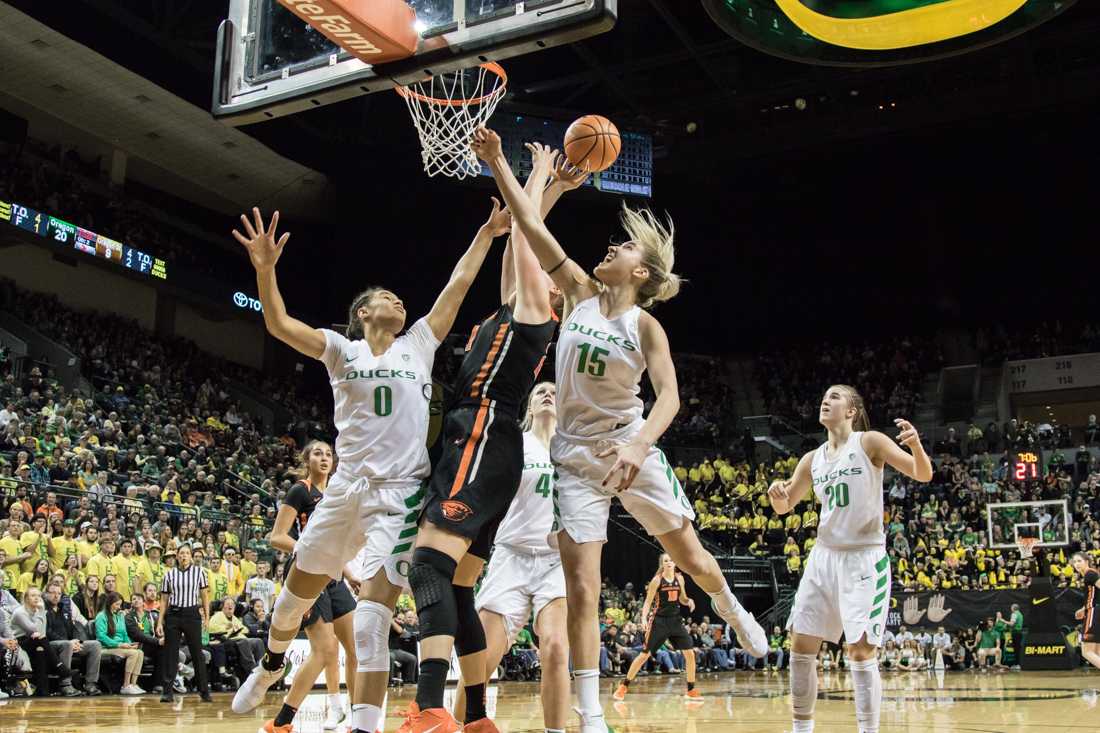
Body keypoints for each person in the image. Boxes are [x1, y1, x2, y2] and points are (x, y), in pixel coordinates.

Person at [472, 126, 767, 733]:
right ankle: (590, 711)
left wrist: (638, 445)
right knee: (583, 586)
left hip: (628, 442)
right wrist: (503, 164)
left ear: (642, 272)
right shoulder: (578, 291)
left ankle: (730, 607)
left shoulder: (645, 327)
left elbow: (671, 398)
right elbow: (530, 230)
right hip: (574, 457)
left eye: (625, 247)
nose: (612, 247)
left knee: (688, 554)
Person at [231, 203, 501, 733]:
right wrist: (265, 270)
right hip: (345, 491)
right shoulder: (341, 350)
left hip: (399, 497)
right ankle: (270, 664)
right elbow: (279, 324)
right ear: (362, 314)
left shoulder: (419, 344)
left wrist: (487, 234)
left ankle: (364, 726)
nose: (399, 301)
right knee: (290, 604)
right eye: (386, 298)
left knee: (374, 616)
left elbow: (459, 282)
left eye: (400, 299)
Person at [398, 143, 578, 733]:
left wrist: (533, 172)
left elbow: (528, 239)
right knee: (460, 586)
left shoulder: (536, 314)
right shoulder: (515, 309)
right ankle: (476, 717)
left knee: (426, 567)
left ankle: (429, 710)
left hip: (481, 432)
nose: (542, 276)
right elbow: (522, 239)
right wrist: (551, 194)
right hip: (489, 443)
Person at [768, 385, 932, 733]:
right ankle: (801, 729)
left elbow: (923, 474)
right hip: (823, 557)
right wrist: (776, 495)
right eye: (824, 396)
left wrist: (915, 445)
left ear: (852, 411)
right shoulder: (812, 459)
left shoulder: (869, 442)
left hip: (863, 559)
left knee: (859, 651)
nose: (825, 400)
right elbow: (785, 506)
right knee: (801, 645)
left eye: (834, 397)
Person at [452, 382, 569, 731]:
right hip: (511, 555)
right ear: (529, 406)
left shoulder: (572, 451)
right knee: (483, 660)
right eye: (539, 392)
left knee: (556, 648)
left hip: (556, 561)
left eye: (553, 392)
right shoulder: (515, 443)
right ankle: (460, 726)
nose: (547, 394)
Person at [261, 441, 359, 733]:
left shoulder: (337, 495)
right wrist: (304, 551)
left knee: (355, 649)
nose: (324, 458)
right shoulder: (300, 490)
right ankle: (283, 721)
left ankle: (358, 717)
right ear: (307, 459)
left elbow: (334, 546)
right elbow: (277, 537)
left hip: (335, 577)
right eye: (318, 453)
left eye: (328, 454)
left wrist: (350, 574)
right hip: (307, 576)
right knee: (324, 650)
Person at [615, 554, 700, 701]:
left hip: (675, 621)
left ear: (675, 563)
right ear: (662, 564)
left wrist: (689, 601)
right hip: (659, 621)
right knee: (644, 655)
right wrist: (643, 619)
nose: (669, 562)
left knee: (690, 654)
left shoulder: (680, 578)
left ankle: (691, 690)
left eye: (671, 560)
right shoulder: (657, 580)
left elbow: (682, 598)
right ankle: (623, 686)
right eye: (666, 561)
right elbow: (648, 603)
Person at [157, 544, 212, 702]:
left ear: (191, 556)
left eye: (187, 553)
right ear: (177, 556)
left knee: (197, 653)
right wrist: (160, 621)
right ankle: (167, 692)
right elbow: (164, 599)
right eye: (181, 553)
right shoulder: (169, 574)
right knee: (170, 653)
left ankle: (204, 691)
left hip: (192, 613)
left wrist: (207, 618)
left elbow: (204, 596)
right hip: (173, 614)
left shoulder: (199, 572)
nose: (184, 556)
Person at [11, 587, 81, 696]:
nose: (36, 598)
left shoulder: (38, 610)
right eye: (33, 595)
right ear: (25, 598)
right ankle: (60, 667)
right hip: (19, 642)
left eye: (38, 596)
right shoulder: (20, 612)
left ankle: (43, 690)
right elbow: (33, 630)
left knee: (40, 650)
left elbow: (41, 632)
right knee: (40, 641)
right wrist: (41, 613)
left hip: (36, 642)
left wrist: (41, 612)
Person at [44, 583, 103, 695]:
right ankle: (65, 684)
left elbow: (70, 629)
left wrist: (76, 641)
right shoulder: (43, 609)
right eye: (52, 593)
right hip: (51, 645)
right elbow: (47, 632)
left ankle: (90, 683)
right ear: (46, 594)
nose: (56, 596)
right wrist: (70, 643)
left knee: (95, 645)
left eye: (59, 593)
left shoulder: (63, 609)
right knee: (67, 644)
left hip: (68, 643)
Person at [95, 591, 147, 694]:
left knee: (139, 652)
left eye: (120, 604)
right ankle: (126, 685)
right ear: (110, 603)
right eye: (117, 604)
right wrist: (119, 644)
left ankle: (133, 684)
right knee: (133, 654)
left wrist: (130, 644)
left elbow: (124, 634)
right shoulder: (101, 616)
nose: (119, 607)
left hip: (120, 646)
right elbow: (101, 636)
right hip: (106, 647)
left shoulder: (119, 616)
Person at [126, 593, 164, 693]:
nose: (136, 601)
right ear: (131, 603)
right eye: (134, 599)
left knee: (165, 649)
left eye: (138, 599)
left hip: (152, 643)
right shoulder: (129, 617)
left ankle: (158, 684)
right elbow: (137, 635)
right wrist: (158, 641)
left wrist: (162, 637)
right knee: (161, 648)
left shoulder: (150, 615)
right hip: (139, 644)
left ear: (143, 602)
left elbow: (157, 631)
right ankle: (161, 682)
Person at [1072, 552, 1100, 670]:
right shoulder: (1090, 575)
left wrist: (1088, 608)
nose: (1076, 564)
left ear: (1086, 561)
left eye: (1079, 561)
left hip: (1094, 612)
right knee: (1097, 653)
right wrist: (1083, 609)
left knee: (1086, 651)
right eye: (1074, 562)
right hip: (1094, 610)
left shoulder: (1090, 574)